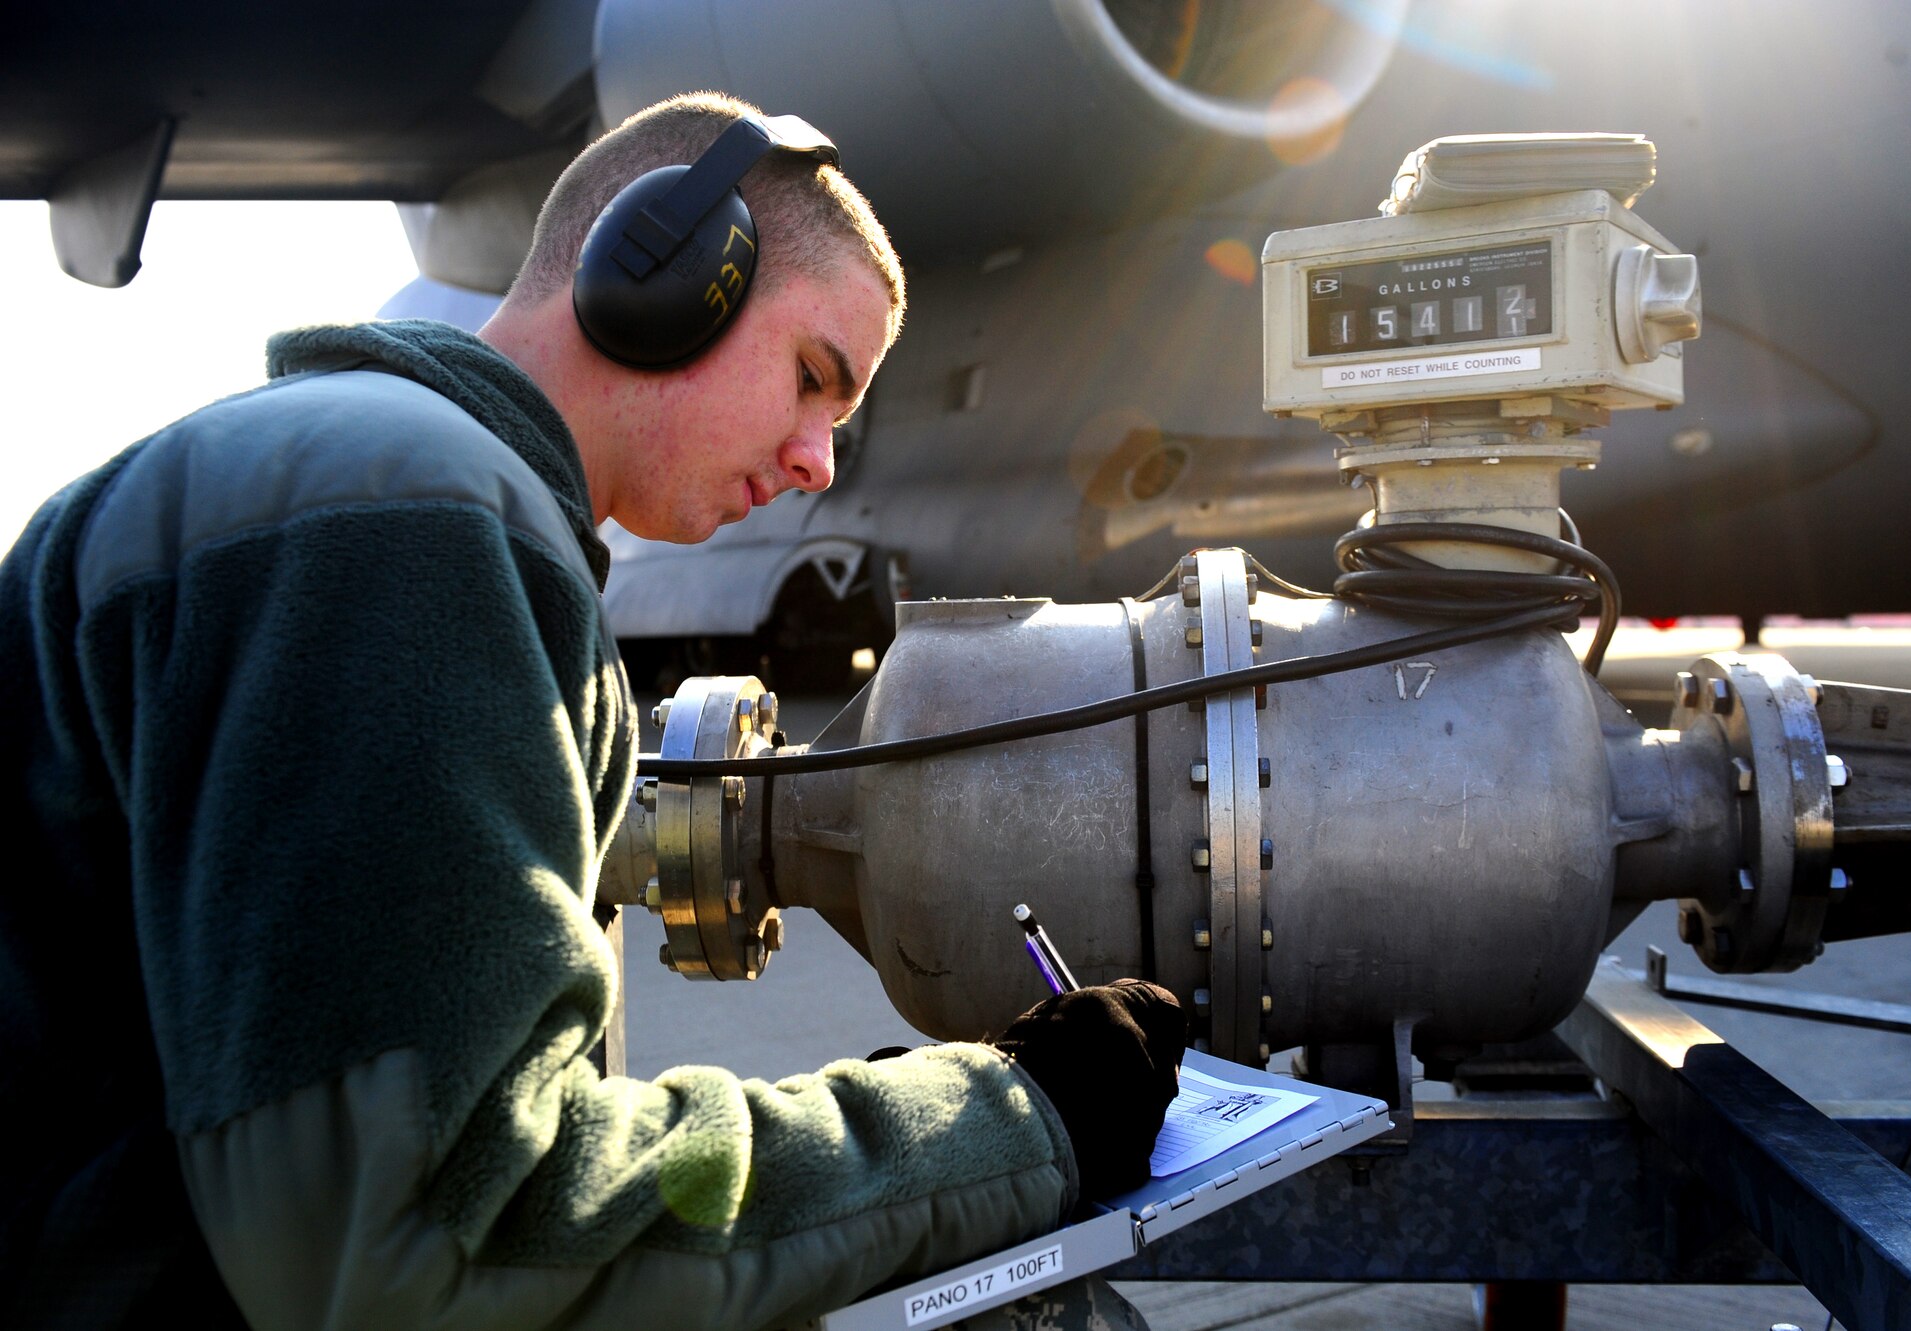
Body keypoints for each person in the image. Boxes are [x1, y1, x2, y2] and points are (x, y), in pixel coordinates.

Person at [0, 91, 1182, 1329]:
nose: (816, 464)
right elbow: (444, 1241)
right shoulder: (401, 529)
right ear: (663, 276)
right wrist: (1002, 1119)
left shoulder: (356, 483)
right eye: (810, 378)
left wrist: (893, 1140)